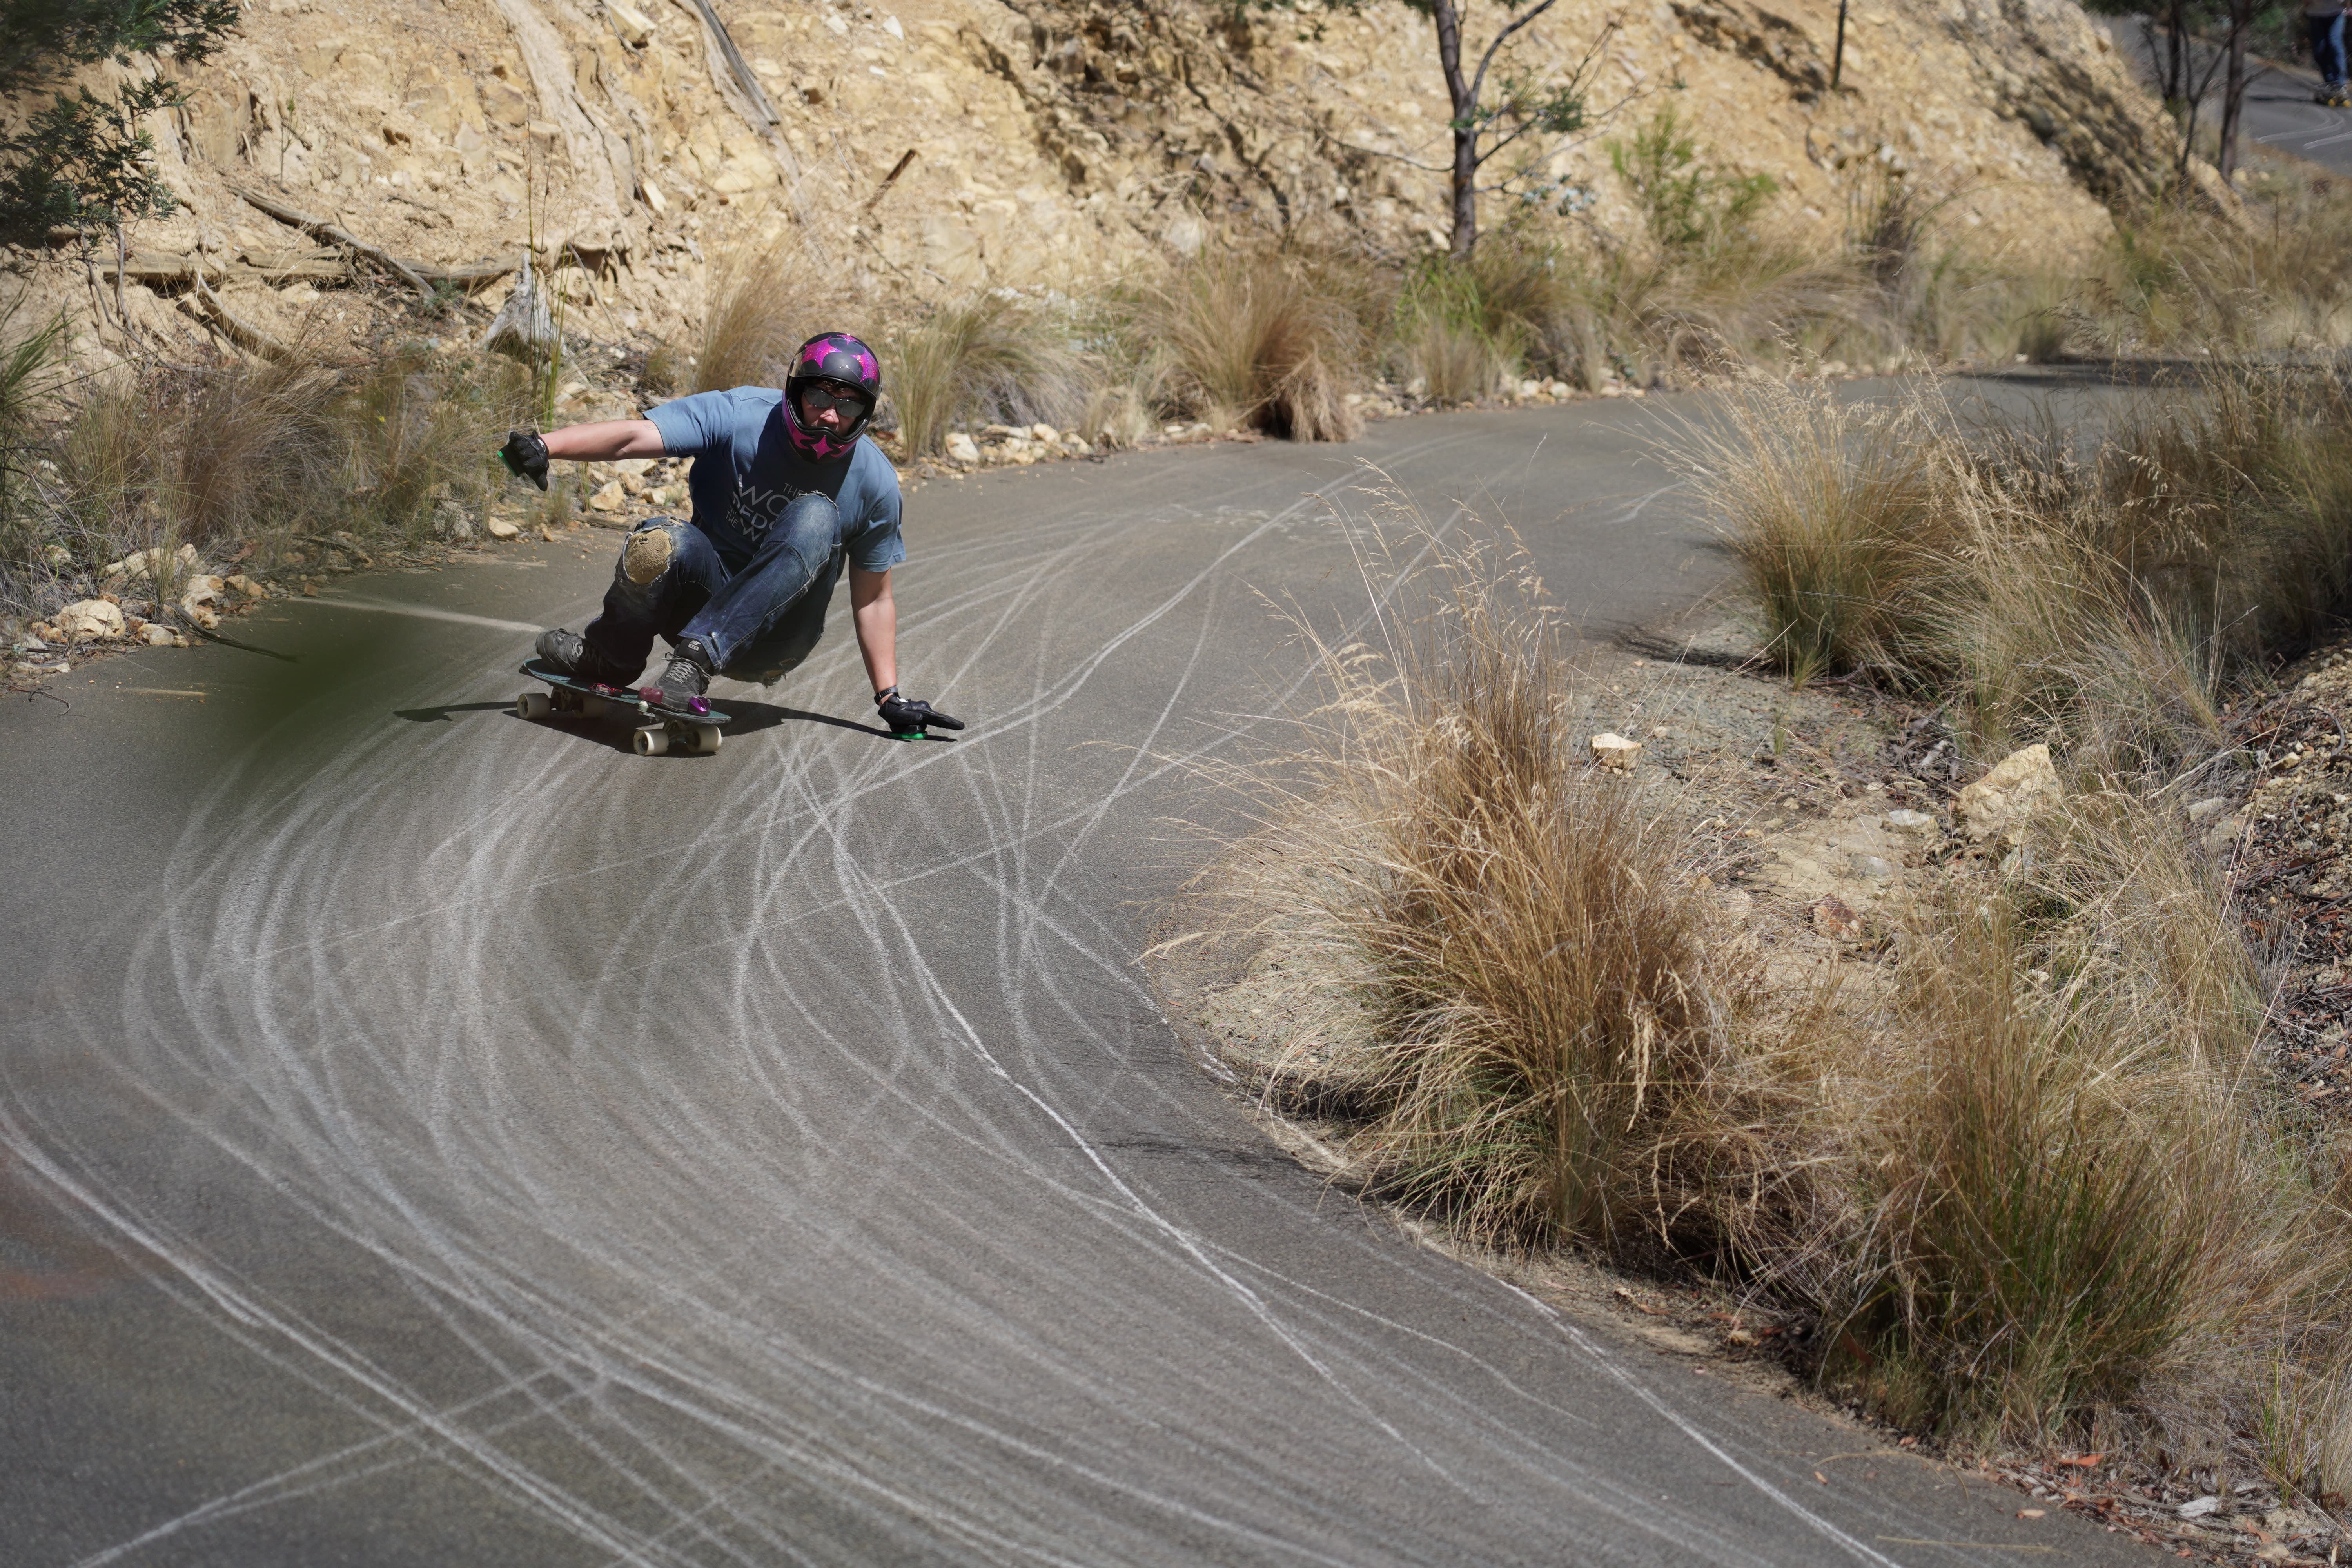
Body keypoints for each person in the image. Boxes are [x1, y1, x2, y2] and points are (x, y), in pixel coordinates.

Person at [498, 331, 961, 738]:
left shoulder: (875, 483)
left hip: (777, 638)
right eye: (819, 397)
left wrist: (889, 697)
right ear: (795, 392)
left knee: (818, 514)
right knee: (659, 540)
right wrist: (546, 446)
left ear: (865, 412)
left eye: (848, 404)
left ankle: (694, 663)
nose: (829, 416)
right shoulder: (741, 416)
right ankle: (611, 657)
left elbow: (874, 599)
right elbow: (634, 437)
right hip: (697, 610)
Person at [2311, 0, 2350, 107]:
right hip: (2316, 12)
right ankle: (2331, 84)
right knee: (2319, 50)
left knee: (2335, 43)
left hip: (2337, 11)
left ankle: (2340, 85)